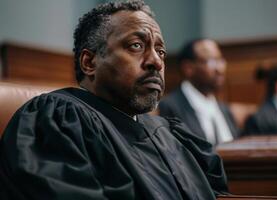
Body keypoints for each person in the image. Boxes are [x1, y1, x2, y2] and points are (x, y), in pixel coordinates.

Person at [0, 1, 229, 199]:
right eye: (136, 46)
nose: (156, 62)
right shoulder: (58, 120)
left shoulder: (170, 132)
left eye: (160, 51)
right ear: (89, 63)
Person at [158, 39, 240, 146]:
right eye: (211, 61)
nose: (220, 69)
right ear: (188, 68)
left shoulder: (224, 109)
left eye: (220, 60)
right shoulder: (171, 107)